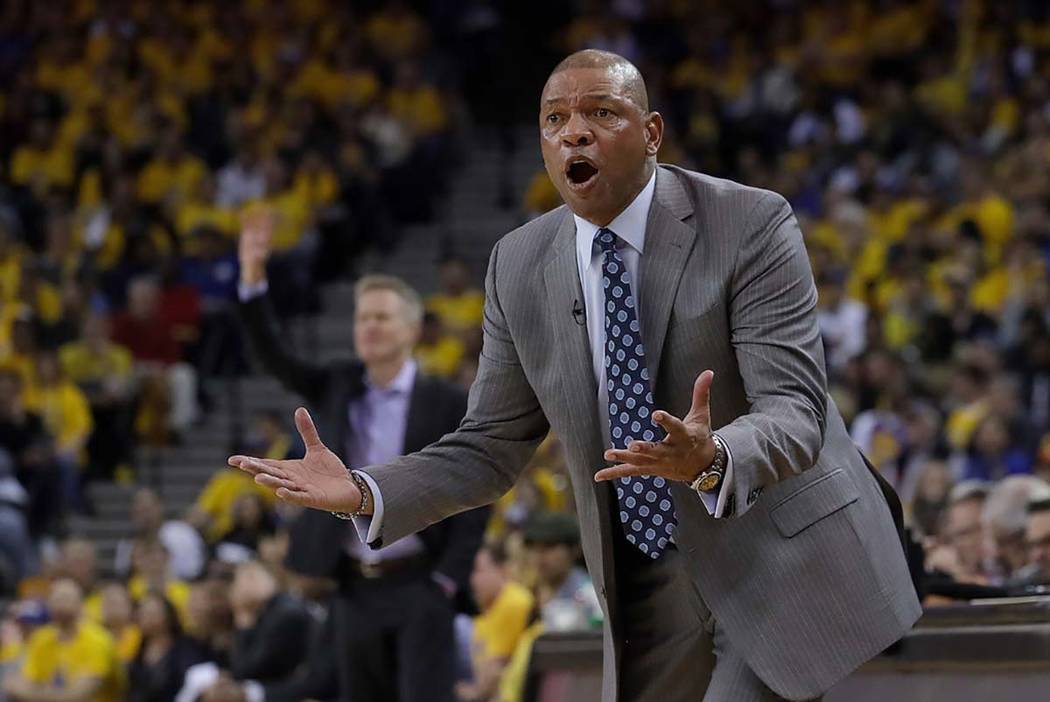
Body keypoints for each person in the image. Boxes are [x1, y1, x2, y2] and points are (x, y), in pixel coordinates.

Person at [231, 50, 919, 701]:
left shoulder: (750, 221)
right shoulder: (518, 263)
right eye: (555, 119)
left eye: (602, 114)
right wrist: (363, 489)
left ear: (651, 133)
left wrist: (715, 456)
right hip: (647, 573)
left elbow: (797, 408)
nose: (574, 134)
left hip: (773, 546)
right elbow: (489, 446)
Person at [236, 218, 489, 702]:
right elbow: (275, 357)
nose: (368, 327)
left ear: (412, 328)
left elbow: (476, 490)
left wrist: (447, 580)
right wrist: (252, 281)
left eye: (381, 317)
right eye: (361, 318)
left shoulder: (445, 400)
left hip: (422, 580)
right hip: (354, 585)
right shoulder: (338, 385)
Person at [2, 578, 124, 702]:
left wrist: (37, 694)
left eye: (66, 599)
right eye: (56, 600)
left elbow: (78, 695)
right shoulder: (42, 638)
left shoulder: (98, 640)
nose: (61, 605)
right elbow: (19, 685)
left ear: (81, 605)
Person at [523, 511, 602, 631]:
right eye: (533, 548)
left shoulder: (590, 594)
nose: (539, 556)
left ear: (574, 550)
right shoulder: (525, 592)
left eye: (549, 546)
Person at [128, 592, 208, 702]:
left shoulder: (187, 647)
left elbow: (195, 682)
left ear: (168, 615)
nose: (145, 617)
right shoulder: (137, 652)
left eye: (151, 613)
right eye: (142, 612)